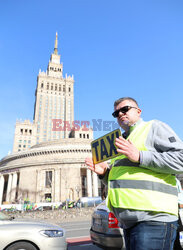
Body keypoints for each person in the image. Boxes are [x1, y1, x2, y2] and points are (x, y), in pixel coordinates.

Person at [85, 97, 183, 250]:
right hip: (128, 223)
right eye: (116, 113)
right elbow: (123, 182)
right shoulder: (120, 142)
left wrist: (140, 156)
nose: (120, 114)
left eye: (125, 109)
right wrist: (104, 174)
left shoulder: (153, 127)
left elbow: (181, 160)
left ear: (138, 111)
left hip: (154, 218)